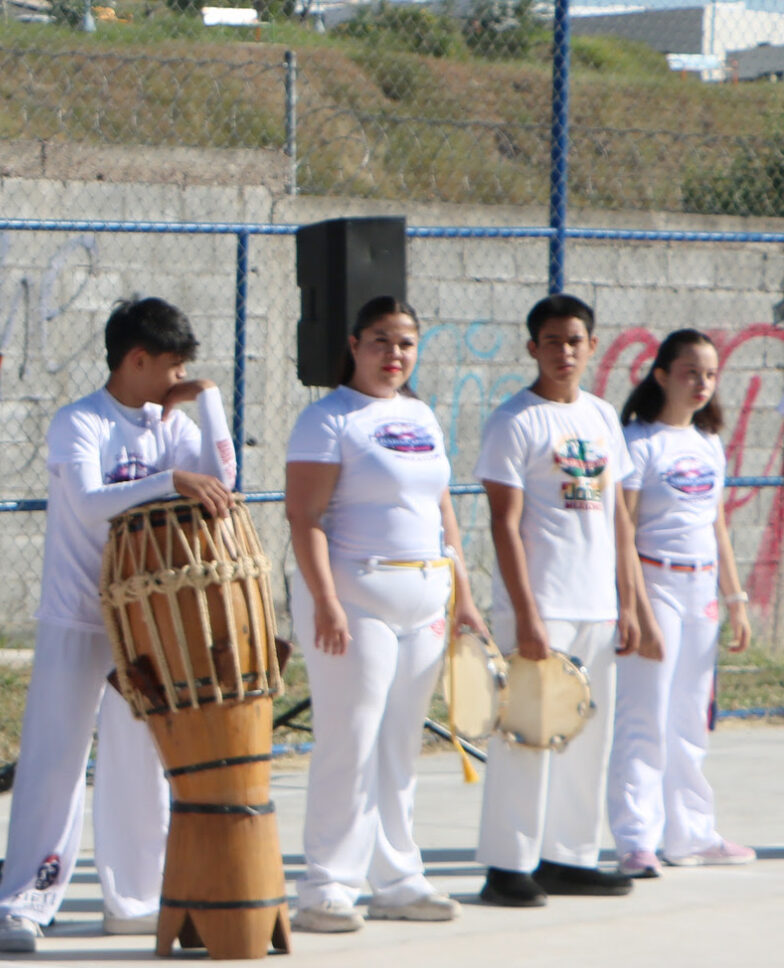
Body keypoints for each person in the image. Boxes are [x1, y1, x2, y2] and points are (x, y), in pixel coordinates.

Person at [0, 297, 237, 952]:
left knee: (140, 760)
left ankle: (135, 899)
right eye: (175, 366)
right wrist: (171, 480)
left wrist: (207, 400)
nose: (179, 378)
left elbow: (225, 479)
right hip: (77, 614)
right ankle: (24, 902)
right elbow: (91, 503)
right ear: (137, 360)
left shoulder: (171, 424)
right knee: (55, 761)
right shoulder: (79, 421)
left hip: (147, 619)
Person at [282, 296, 485, 933]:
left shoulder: (421, 415)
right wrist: (326, 601)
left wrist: (464, 595)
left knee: (400, 744)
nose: (394, 354)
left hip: (425, 596)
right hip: (355, 598)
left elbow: (442, 511)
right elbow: (304, 516)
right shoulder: (328, 419)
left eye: (405, 343)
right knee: (350, 740)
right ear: (353, 345)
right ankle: (326, 887)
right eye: (380, 341)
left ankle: (397, 880)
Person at [472, 293, 655, 907]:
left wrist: (628, 603)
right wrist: (526, 614)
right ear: (533, 348)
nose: (564, 352)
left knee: (586, 739)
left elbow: (618, 519)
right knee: (527, 734)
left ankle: (568, 857)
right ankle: (508, 865)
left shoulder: (602, 416)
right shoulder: (515, 421)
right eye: (551, 341)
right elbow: (504, 523)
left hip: (595, 605)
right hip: (541, 606)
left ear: (591, 347)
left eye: (574, 341)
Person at [610, 329, 757, 874]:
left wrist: (735, 598)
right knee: (645, 715)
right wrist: (634, 606)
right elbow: (623, 528)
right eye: (691, 372)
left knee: (690, 718)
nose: (701, 383)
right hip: (655, 584)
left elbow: (716, 524)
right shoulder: (638, 442)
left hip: (702, 590)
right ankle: (636, 840)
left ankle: (691, 834)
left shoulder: (707, 442)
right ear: (661, 375)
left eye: (710, 374)